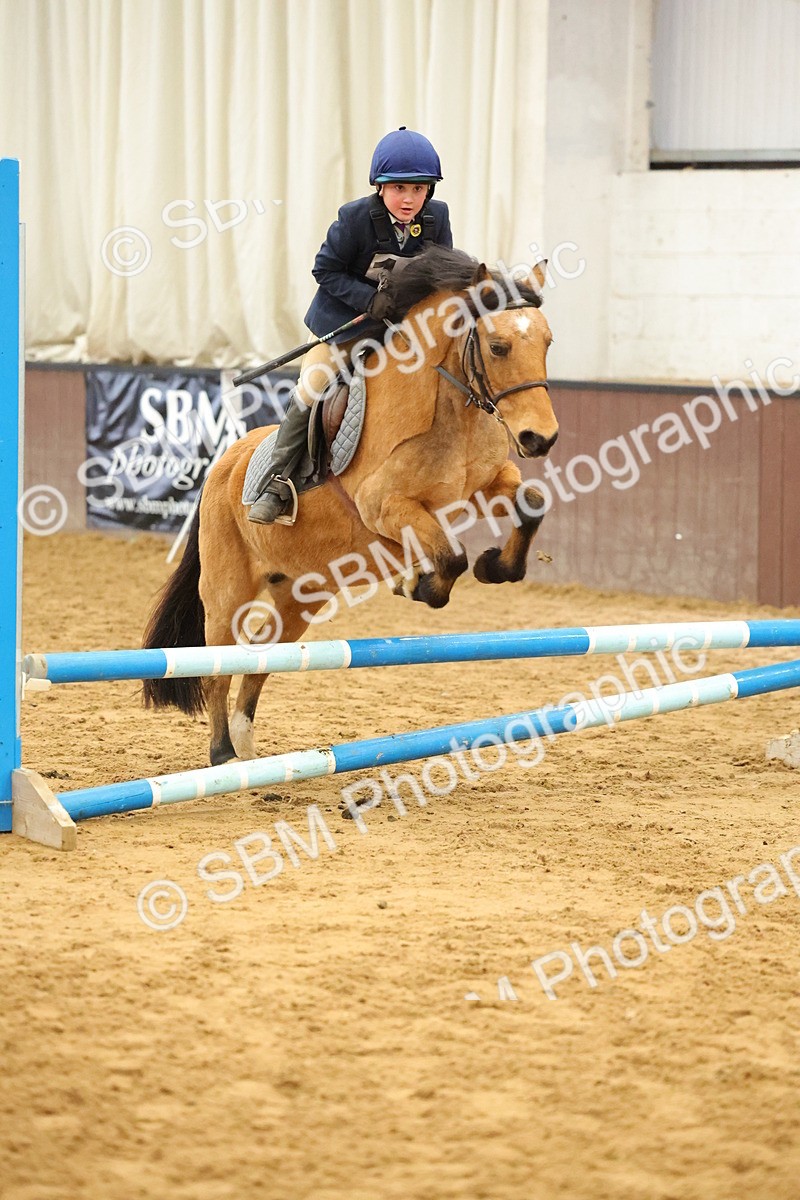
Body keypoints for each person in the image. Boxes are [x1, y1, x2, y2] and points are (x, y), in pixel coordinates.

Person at [248, 127, 453, 525]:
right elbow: (324, 269)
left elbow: (442, 272)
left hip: (398, 331)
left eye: (419, 189)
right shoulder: (355, 218)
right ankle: (276, 483)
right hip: (343, 326)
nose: (409, 199)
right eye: (399, 189)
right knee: (312, 390)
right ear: (380, 188)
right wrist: (368, 298)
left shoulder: (436, 217)